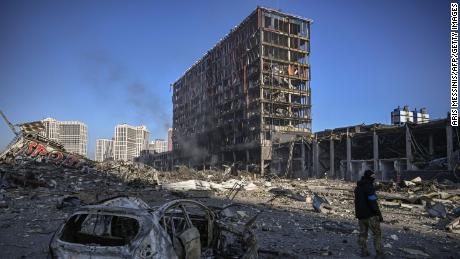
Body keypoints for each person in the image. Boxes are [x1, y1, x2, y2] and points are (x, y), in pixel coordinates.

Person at [354, 170, 383, 257]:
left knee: (363, 234)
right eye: (373, 177)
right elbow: (372, 202)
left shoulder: (358, 188)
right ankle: (379, 253)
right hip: (371, 216)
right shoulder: (369, 187)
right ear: (370, 177)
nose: (374, 179)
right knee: (377, 234)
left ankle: (364, 252)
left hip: (360, 216)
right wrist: (379, 214)